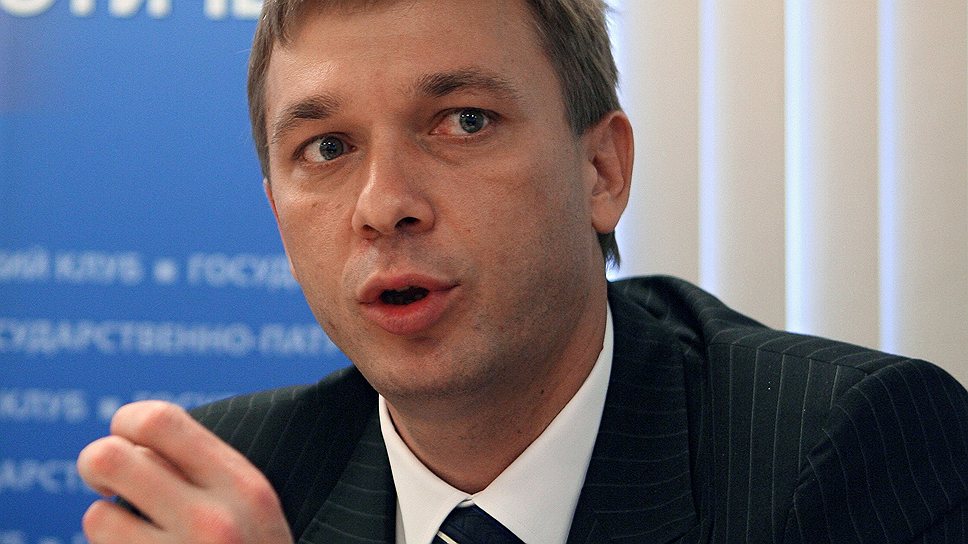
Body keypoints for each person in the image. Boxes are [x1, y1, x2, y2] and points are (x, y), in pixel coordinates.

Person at [76, 0, 968, 542]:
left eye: (463, 121)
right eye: (328, 147)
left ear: (601, 171)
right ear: (278, 214)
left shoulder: (839, 449)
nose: (383, 205)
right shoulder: (238, 487)